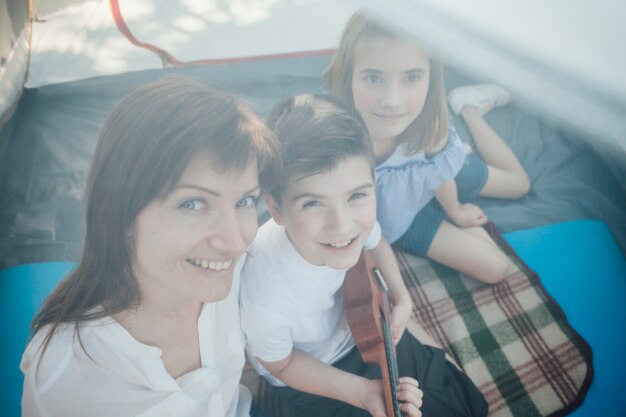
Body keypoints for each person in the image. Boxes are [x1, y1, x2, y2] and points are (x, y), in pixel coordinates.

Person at [20, 77, 280, 417]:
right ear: (121, 212)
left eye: (245, 200)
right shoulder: (68, 371)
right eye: (192, 204)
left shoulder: (229, 278)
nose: (234, 242)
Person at [240, 93, 488, 417]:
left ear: (372, 183)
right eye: (313, 203)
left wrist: (402, 299)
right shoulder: (264, 294)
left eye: (356, 195)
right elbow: (281, 363)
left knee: (447, 397)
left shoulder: (357, 222)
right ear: (276, 207)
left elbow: (377, 242)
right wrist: (362, 393)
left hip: (367, 327)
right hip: (314, 375)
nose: (342, 225)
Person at [324, 11, 531, 284]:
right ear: (348, 75)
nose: (392, 101)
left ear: (430, 80)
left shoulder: (429, 127)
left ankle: (469, 109)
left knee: (519, 185)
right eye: (374, 78)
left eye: (411, 78)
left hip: (436, 179)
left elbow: (440, 174)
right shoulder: (332, 137)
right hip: (403, 215)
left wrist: (456, 211)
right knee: (495, 268)